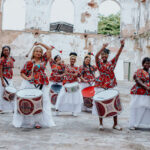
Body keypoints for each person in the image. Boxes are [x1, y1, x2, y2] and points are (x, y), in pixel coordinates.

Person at [13, 42, 55, 128]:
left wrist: (39, 43)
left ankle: (38, 122)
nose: (38, 53)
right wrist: (27, 78)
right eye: (36, 51)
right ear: (33, 52)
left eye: (40, 51)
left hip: (41, 84)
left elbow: (49, 49)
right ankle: (29, 121)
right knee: (31, 102)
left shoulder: (44, 60)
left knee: (41, 103)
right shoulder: (29, 62)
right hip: (30, 85)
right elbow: (22, 73)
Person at [92, 40, 125, 130]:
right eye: (102, 54)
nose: (103, 56)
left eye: (105, 54)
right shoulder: (99, 63)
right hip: (101, 85)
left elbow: (118, 55)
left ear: (108, 55)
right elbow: (96, 56)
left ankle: (115, 124)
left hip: (111, 84)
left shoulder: (112, 63)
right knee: (101, 104)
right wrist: (103, 47)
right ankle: (101, 123)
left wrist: (122, 46)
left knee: (114, 103)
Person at [55, 52, 83, 116]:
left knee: (75, 98)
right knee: (61, 96)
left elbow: (75, 75)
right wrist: (60, 62)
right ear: (69, 60)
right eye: (71, 59)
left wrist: (67, 73)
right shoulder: (66, 65)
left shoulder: (77, 67)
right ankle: (57, 109)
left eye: (73, 59)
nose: (72, 60)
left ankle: (75, 111)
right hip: (66, 83)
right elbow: (57, 63)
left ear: (75, 60)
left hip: (74, 84)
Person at [129, 57, 150, 129]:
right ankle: (134, 124)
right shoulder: (139, 71)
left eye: (149, 63)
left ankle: (144, 124)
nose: (147, 64)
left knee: (147, 109)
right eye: (146, 63)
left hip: (147, 94)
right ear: (143, 64)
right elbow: (137, 79)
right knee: (137, 108)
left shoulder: (149, 72)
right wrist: (146, 87)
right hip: (139, 93)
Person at [0, 46, 15, 113]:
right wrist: (2, 81)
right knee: (1, 93)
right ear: (3, 52)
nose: (6, 51)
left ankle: (13, 108)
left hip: (10, 78)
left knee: (11, 93)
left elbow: (12, 66)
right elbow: (0, 70)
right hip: (4, 78)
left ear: (9, 51)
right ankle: (0, 108)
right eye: (4, 50)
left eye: (7, 50)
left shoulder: (11, 58)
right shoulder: (2, 59)